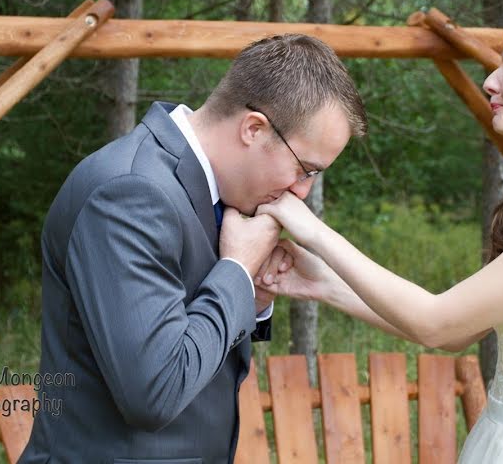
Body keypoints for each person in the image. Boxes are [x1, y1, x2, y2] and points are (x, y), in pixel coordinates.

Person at [256, 8, 503, 463]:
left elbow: (438, 323)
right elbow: (458, 331)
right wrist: (324, 284)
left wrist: (312, 230)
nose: (491, 81)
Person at [19, 34, 367, 464]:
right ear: (253, 128)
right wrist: (236, 272)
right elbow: (155, 390)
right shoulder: (130, 192)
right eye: (305, 169)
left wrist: (252, 294)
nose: (302, 191)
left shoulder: (203, 189)